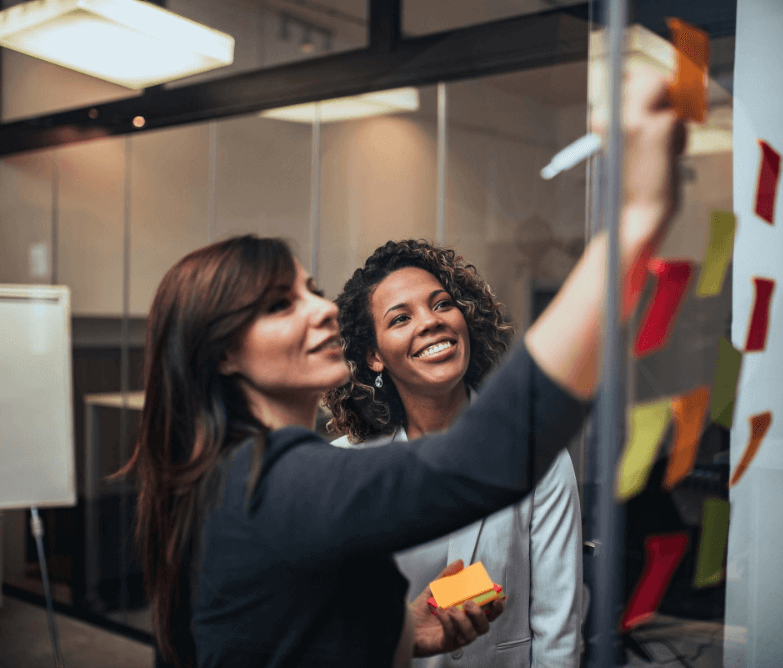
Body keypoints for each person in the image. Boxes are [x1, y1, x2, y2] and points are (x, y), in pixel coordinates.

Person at [123, 69, 685, 668]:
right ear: (224, 353)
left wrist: (399, 632)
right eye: (281, 305)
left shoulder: (236, 476)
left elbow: (290, 636)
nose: (321, 312)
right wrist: (636, 215)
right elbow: (484, 459)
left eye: (311, 291)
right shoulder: (276, 481)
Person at [325, 238, 583, 667]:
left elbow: (557, 626)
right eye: (401, 318)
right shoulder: (343, 467)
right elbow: (330, 624)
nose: (430, 322)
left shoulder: (537, 452)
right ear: (374, 356)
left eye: (442, 304)